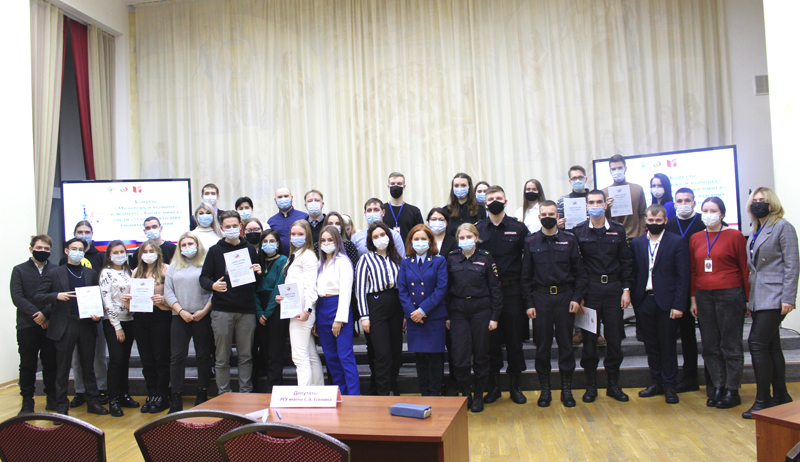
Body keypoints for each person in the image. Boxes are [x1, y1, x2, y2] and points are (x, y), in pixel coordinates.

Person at [521, 200, 587, 408]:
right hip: (540, 299)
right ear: (539, 217)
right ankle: (545, 390)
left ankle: (566, 390)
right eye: (544, 214)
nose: (548, 217)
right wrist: (529, 303)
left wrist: (576, 298)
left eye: (552, 214)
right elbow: (526, 277)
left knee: (566, 346)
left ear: (558, 217)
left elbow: (580, 273)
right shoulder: (530, 241)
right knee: (542, 347)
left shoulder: (569, 240)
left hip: (565, 297)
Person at [32, 237, 108, 416]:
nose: (77, 252)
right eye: (74, 249)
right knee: (63, 368)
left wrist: (97, 315)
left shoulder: (90, 273)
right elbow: (37, 296)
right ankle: (61, 406)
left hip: (87, 324)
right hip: (64, 326)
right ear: (66, 251)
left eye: (81, 249)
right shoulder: (54, 273)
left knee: (88, 367)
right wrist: (56, 296)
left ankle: (92, 402)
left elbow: (97, 298)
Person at [571, 190, 633, 403]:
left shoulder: (618, 229)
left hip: (614, 289)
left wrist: (627, 289)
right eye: (592, 202)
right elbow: (576, 267)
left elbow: (626, 261)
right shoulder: (578, 231)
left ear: (605, 205)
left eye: (599, 202)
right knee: (589, 341)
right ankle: (591, 386)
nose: (595, 205)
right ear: (586, 206)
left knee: (614, 340)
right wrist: (579, 295)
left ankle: (613, 385)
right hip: (590, 291)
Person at [743, 187, 799, 418]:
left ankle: (763, 400)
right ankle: (781, 395)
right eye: (755, 200)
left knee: (756, 343)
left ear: (772, 203)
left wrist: (788, 298)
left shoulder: (783, 226)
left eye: (762, 200)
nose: (758, 203)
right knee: (771, 346)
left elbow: (792, 265)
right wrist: (750, 300)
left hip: (776, 296)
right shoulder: (756, 229)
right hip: (760, 296)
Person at [689, 197, 749, 409]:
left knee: (730, 344)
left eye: (713, 210)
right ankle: (718, 386)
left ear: (722, 214)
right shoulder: (696, 238)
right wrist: (693, 299)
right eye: (705, 210)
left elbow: (745, 268)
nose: (709, 214)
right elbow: (694, 271)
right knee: (710, 346)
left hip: (730, 294)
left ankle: (733, 390)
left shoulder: (735, 236)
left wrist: (747, 299)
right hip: (704, 295)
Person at [630, 204, 689, 404]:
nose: (654, 223)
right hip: (644, 300)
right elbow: (633, 272)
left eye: (658, 220)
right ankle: (656, 382)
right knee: (651, 345)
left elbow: (683, 276)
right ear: (645, 220)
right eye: (651, 220)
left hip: (668, 302)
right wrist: (634, 298)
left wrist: (679, 305)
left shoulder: (677, 241)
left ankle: (670, 385)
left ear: (665, 221)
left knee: (668, 345)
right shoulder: (637, 243)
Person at [477, 186, 529, 405]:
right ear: (485, 203)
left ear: (506, 202)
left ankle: (515, 386)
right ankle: (495, 386)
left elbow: (528, 260)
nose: (495, 201)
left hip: (512, 291)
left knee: (514, 340)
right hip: (487, 294)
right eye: (491, 199)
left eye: (499, 198)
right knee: (491, 342)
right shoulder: (478, 229)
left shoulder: (519, 228)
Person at [200, 210, 262, 394]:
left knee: (246, 356)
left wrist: (258, 272)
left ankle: (245, 393)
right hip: (222, 310)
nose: (232, 229)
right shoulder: (215, 251)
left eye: (235, 226)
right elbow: (203, 278)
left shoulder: (249, 249)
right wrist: (213, 285)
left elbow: (256, 283)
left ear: (241, 226)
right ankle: (223, 394)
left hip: (246, 311)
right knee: (222, 357)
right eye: (228, 226)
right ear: (221, 228)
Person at [447, 223, 501, 412]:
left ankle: (478, 394)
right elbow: (446, 289)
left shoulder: (486, 257)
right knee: (460, 355)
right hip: (458, 310)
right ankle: (466, 393)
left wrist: (495, 316)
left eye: (469, 237)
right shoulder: (452, 258)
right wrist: (447, 316)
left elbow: (495, 288)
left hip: (481, 310)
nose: (465, 241)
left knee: (480, 354)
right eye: (462, 238)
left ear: (476, 238)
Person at [59, 220, 109, 406]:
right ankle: (80, 390)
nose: (83, 235)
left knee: (98, 355)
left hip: (94, 315)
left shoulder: (101, 257)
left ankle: (100, 388)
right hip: (72, 317)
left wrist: (98, 310)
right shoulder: (63, 261)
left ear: (92, 234)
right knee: (76, 359)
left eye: (87, 232)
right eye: (80, 232)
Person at [270, 220, 324, 386]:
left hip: (302, 312)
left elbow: (311, 286)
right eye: (293, 234)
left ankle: (304, 394)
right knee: (310, 354)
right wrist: (282, 298)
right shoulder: (295, 255)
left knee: (299, 357)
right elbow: (295, 285)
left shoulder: (308, 256)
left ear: (307, 236)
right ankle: (317, 390)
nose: (296, 237)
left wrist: (307, 310)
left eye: (300, 234)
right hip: (295, 309)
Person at [165, 232, 213, 413]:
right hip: (179, 316)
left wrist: (204, 311)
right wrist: (181, 311)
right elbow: (168, 292)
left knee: (203, 356)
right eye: (183, 245)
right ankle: (176, 396)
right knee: (177, 357)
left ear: (197, 245)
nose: (187, 248)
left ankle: (202, 393)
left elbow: (214, 290)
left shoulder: (207, 264)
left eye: (190, 244)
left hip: (203, 315)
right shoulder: (174, 267)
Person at [398, 224, 448, 396]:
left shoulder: (439, 261)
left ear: (430, 241)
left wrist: (423, 311)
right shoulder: (405, 263)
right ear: (411, 242)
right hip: (414, 317)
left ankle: (435, 393)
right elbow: (402, 290)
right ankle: (424, 394)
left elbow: (441, 289)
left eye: (423, 239)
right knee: (420, 357)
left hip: (433, 316)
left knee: (435, 358)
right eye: (416, 239)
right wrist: (412, 313)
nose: (420, 242)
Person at [664, 187, 706, 394]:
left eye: (687, 200)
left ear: (694, 202)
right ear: (674, 204)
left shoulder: (703, 222)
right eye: (679, 201)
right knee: (686, 334)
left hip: (701, 284)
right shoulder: (669, 225)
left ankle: (713, 379)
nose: (683, 204)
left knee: (707, 335)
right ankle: (688, 377)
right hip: (678, 286)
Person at [356, 222, 404, 395]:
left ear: (389, 237)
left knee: (396, 352)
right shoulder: (365, 259)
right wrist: (364, 316)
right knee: (382, 353)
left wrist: (405, 314)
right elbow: (360, 289)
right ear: (371, 240)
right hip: (376, 304)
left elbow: (403, 286)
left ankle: (393, 387)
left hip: (396, 304)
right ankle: (382, 392)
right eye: (375, 237)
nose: (380, 239)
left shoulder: (397, 258)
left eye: (382, 235)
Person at [10, 234, 57, 415]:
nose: (42, 251)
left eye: (46, 249)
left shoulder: (56, 270)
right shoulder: (19, 270)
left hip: (50, 324)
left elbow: (58, 295)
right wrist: (36, 315)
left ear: (50, 251)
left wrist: (45, 314)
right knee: (28, 365)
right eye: (39, 248)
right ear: (31, 249)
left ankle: (51, 397)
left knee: (51, 363)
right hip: (27, 325)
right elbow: (17, 297)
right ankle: (27, 401)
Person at [316, 226, 360, 395]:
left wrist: (339, 319)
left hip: (338, 307)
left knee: (344, 355)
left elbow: (346, 291)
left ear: (337, 241)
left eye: (330, 240)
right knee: (331, 357)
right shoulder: (320, 263)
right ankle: (340, 394)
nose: (326, 243)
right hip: (322, 308)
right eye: (323, 240)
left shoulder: (343, 261)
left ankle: (354, 396)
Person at [130, 240, 172, 413]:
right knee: (146, 359)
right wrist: (128, 299)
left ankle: (162, 395)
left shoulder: (167, 270)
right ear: (140, 255)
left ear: (158, 253)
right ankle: (152, 393)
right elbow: (131, 296)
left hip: (160, 316)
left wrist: (163, 300)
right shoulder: (136, 272)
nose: (148, 254)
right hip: (141, 318)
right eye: (145, 251)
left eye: (151, 251)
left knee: (160, 357)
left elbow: (173, 295)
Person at [98, 240, 139, 417]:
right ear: (109, 255)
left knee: (125, 359)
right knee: (116, 359)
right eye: (115, 252)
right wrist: (116, 326)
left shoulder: (129, 272)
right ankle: (113, 398)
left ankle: (124, 394)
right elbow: (107, 301)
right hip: (113, 322)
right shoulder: (106, 273)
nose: (119, 255)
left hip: (130, 320)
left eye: (122, 252)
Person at [254, 230, 290, 392]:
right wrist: (259, 312)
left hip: (276, 307)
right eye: (265, 241)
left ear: (278, 243)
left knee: (275, 350)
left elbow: (278, 287)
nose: (268, 244)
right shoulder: (257, 262)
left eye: (272, 241)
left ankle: (274, 387)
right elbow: (253, 288)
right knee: (264, 348)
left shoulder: (283, 260)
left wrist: (267, 313)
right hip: (259, 308)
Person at [427, 207, 458, 395]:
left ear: (447, 222)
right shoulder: (423, 242)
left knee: (453, 347)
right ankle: (436, 386)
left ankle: (454, 384)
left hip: (450, 301)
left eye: (440, 219)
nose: (436, 222)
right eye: (433, 219)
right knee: (434, 350)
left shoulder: (454, 243)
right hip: (429, 304)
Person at [603, 154, 647, 240]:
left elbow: (643, 215)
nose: (617, 171)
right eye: (614, 169)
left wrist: (641, 237)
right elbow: (601, 219)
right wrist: (606, 209)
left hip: (634, 238)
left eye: (620, 168)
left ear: (625, 168)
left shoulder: (637, 189)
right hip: (614, 239)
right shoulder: (604, 192)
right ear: (610, 171)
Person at [382, 172, 424, 243]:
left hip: (408, 249)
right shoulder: (381, 210)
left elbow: (421, 233)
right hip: (387, 249)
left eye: (399, 184)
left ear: (404, 187)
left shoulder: (414, 211)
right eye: (392, 184)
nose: (396, 186)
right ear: (388, 187)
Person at [267, 187, 309, 256]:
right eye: (280, 197)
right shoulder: (271, 221)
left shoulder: (304, 217)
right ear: (275, 200)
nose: (283, 199)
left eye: (286, 196)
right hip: (280, 259)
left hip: (302, 257)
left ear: (291, 198)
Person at [556, 165, 590, 230]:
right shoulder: (562, 200)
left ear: (585, 179)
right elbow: (558, 223)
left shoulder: (594, 199)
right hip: (570, 234)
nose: (577, 180)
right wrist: (560, 224)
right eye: (574, 178)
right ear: (570, 181)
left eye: (580, 177)